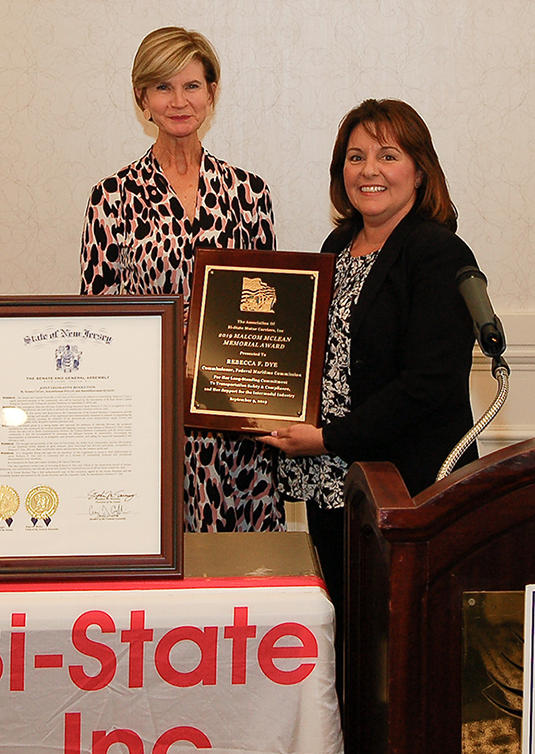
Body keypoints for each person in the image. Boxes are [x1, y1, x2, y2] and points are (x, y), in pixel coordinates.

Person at [261, 98, 478, 665]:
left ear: (419, 169)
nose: (368, 170)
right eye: (354, 157)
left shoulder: (438, 252)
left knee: (399, 654)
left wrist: (329, 438)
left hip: (404, 489)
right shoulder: (337, 247)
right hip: (336, 486)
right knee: (346, 644)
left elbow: (429, 385)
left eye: (388, 155)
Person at [80, 26, 283, 532]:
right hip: (150, 417)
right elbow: (96, 318)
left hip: (234, 422)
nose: (178, 100)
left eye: (191, 85)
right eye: (163, 87)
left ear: (212, 94)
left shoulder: (249, 192)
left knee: (242, 581)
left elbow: (268, 313)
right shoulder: (111, 197)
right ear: (142, 99)